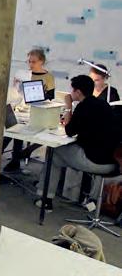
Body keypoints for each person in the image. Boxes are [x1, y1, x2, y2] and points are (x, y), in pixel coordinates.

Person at [35, 75, 118, 212]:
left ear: (78, 92)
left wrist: (68, 106)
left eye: (72, 90)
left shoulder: (83, 107)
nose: (70, 93)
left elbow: (69, 131)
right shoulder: (103, 104)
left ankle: (45, 199)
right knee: (63, 153)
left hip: (94, 161)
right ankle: (78, 196)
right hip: (112, 162)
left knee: (54, 152)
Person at [3, 49, 55, 171]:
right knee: (12, 129)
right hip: (21, 107)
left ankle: (15, 159)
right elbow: (16, 93)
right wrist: (16, 86)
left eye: (34, 62)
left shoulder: (48, 77)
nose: (31, 64)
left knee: (18, 131)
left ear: (41, 62)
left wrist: (38, 93)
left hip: (37, 109)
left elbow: (51, 96)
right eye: (29, 62)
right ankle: (11, 157)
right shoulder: (24, 74)